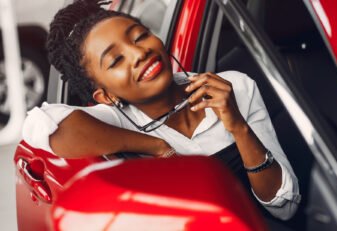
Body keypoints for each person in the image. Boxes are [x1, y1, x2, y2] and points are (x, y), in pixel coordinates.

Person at [22, 0, 300, 221]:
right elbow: (41, 125)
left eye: (140, 36)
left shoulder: (234, 86)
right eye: (117, 60)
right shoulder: (119, 121)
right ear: (105, 95)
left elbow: (284, 208)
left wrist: (238, 127)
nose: (139, 53)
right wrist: (157, 146)